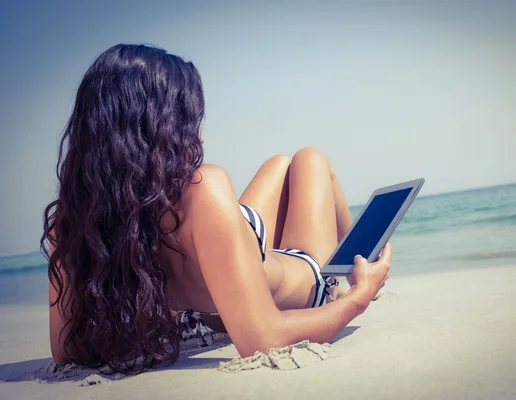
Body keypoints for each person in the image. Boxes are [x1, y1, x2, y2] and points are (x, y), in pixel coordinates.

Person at [41, 44, 391, 373]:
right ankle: (352, 272)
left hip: (216, 299)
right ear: (157, 129)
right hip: (303, 281)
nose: (201, 138)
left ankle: (352, 261)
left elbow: (66, 351)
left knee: (281, 163)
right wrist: (359, 298)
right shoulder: (202, 189)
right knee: (310, 159)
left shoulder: (73, 222)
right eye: (189, 122)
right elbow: (263, 340)